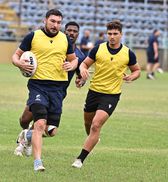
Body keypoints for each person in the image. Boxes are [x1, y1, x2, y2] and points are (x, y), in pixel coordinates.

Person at [12, 9, 78, 172]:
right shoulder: (32, 37)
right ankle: (37, 163)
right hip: (38, 85)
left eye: (58, 22)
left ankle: (26, 136)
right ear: (45, 20)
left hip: (58, 88)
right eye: (52, 21)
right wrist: (20, 63)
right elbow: (15, 56)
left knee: (51, 131)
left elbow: (74, 58)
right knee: (40, 123)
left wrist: (72, 65)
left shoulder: (65, 39)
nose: (55, 25)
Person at [72, 20, 141, 168]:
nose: (112, 36)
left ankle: (80, 159)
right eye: (109, 33)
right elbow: (85, 63)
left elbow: (137, 70)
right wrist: (83, 69)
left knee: (96, 125)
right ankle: (93, 138)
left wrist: (131, 77)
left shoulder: (128, 53)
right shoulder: (98, 49)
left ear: (121, 35)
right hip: (94, 92)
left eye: (115, 34)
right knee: (88, 124)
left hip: (111, 95)